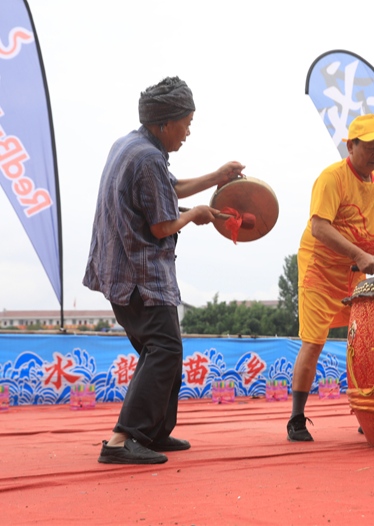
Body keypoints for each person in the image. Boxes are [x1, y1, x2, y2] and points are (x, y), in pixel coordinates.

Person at [83, 77, 244, 464]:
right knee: (165, 350)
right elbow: (160, 226)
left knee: (164, 351)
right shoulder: (149, 158)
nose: (188, 131)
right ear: (164, 123)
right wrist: (197, 214)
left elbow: (168, 187)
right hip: (139, 275)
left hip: (121, 269)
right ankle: (123, 440)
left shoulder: (131, 144)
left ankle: (153, 433)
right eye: (186, 122)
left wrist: (216, 178)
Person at [287, 114, 374, 442]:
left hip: (357, 272)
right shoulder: (332, 178)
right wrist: (357, 254)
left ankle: (365, 412)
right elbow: (319, 226)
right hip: (320, 269)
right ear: (350, 146)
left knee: (366, 340)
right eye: (370, 148)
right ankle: (296, 418)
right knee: (314, 342)